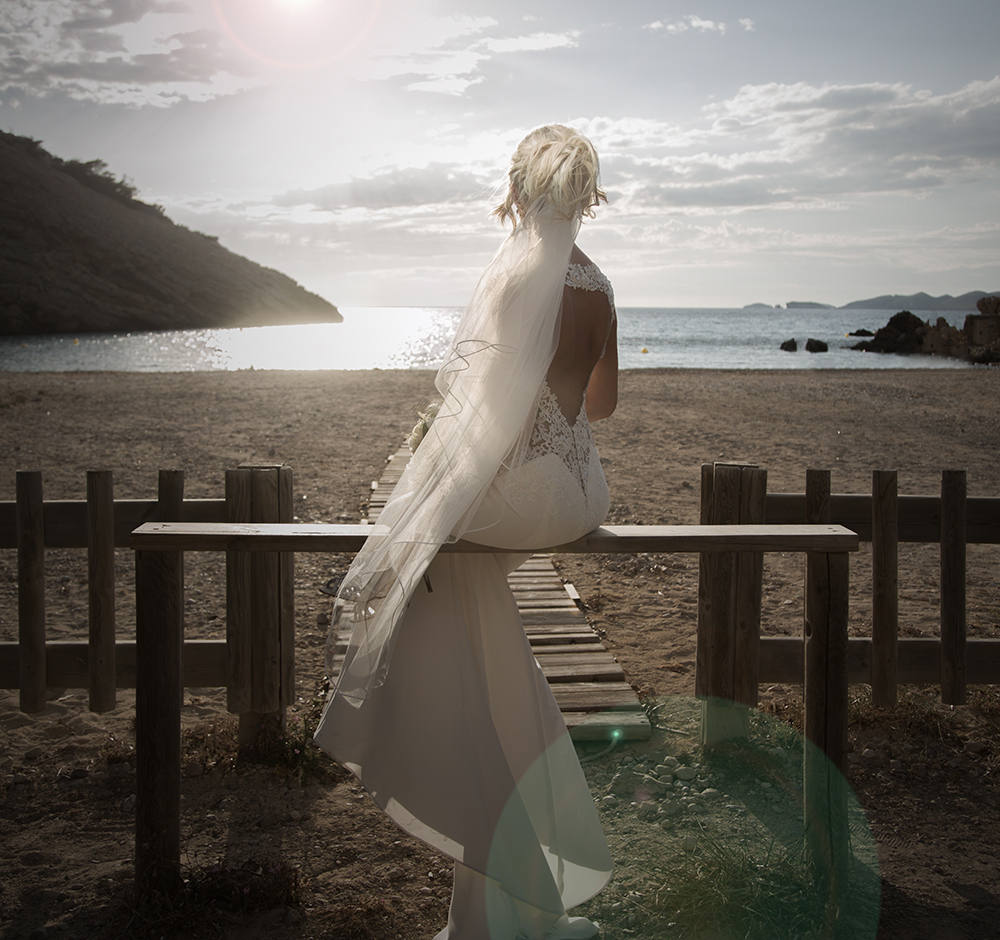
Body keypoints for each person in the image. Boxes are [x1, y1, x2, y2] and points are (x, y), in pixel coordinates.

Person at [314, 124, 619, 940]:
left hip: (516, 496)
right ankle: (506, 826)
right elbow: (602, 406)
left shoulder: (517, 276)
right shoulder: (599, 285)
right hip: (578, 492)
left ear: (519, 193)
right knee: (464, 603)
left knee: (433, 578)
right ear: (587, 199)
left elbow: (482, 413)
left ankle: (460, 776)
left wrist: (435, 478)